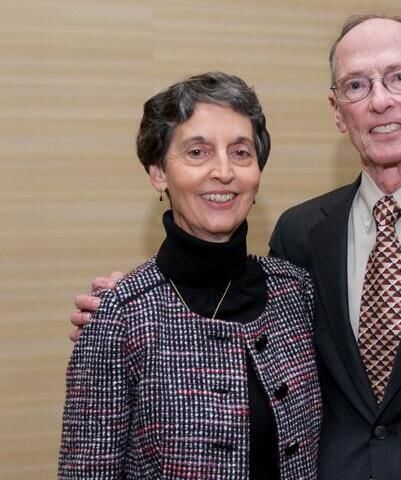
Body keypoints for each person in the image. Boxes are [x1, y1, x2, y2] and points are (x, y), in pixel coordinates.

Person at [71, 15, 401, 480]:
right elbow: (239, 324)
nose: (379, 100)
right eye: (356, 86)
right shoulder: (301, 238)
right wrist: (138, 302)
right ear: (338, 111)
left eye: (400, 77)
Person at [59, 72, 321, 479]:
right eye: (197, 153)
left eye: (240, 153)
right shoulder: (121, 317)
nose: (223, 172)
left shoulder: (297, 293)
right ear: (158, 173)